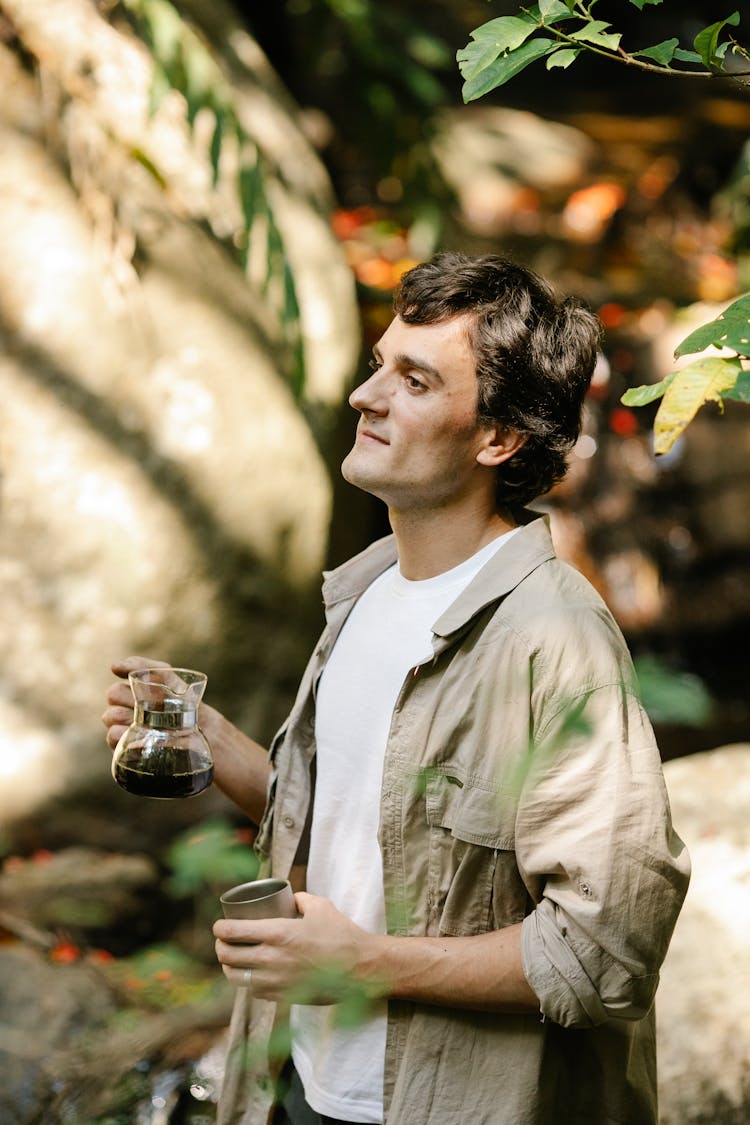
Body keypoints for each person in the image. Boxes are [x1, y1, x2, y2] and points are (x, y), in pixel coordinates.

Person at [103, 252, 690, 1125]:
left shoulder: (555, 638)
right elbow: (372, 831)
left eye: (413, 379)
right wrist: (218, 743)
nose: (364, 396)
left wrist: (364, 962)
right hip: (301, 1082)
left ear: (498, 438)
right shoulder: (368, 592)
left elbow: (608, 950)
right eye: (380, 364)